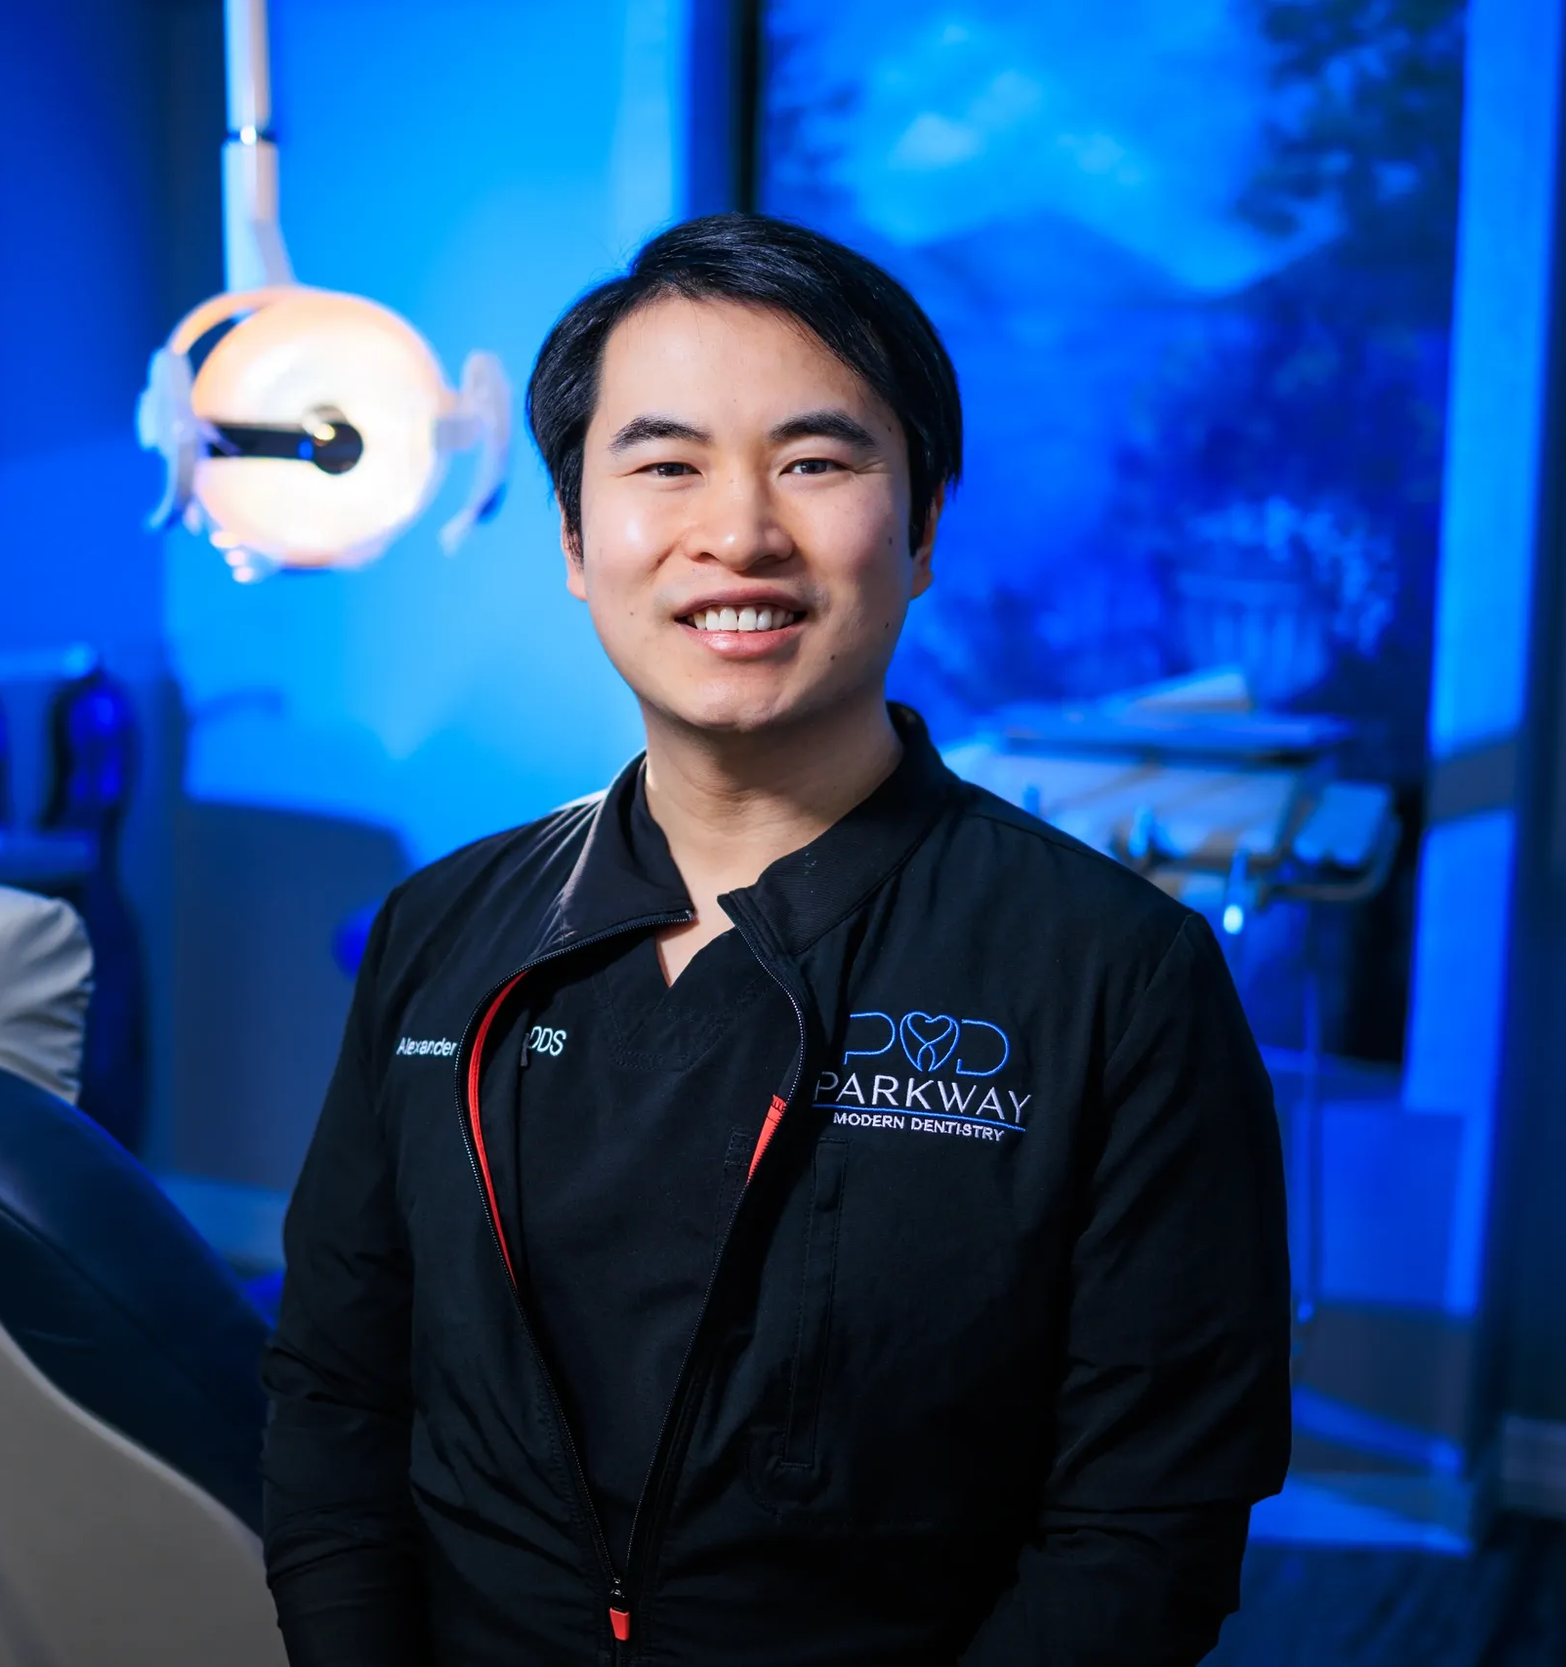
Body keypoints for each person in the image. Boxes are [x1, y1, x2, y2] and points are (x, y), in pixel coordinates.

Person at [260, 213, 1290, 1665]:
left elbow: (1146, 1527)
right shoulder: (447, 932)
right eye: (665, 463)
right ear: (571, 535)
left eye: (814, 461)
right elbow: (338, 1392)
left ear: (924, 524)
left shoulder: (1115, 977)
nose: (736, 532)